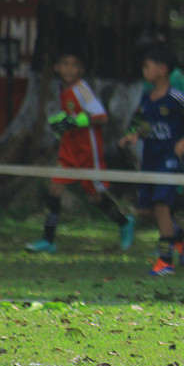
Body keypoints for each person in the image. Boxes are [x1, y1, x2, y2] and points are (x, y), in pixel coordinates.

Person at [25, 51, 135, 254]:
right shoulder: (61, 88)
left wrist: (75, 121)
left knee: (95, 198)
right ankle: (48, 240)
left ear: (81, 70)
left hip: (88, 151)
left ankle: (124, 221)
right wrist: (60, 122)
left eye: (74, 65)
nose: (69, 69)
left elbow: (101, 117)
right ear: (57, 68)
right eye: (64, 64)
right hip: (70, 149)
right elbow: (72, 116)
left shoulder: (82, 89)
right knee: (54, 188)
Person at [119, 43, 184, 275]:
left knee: (161, 207)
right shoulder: (148, 98)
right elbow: (144, 123)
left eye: (148, 66)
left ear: (162, 69)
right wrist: (134, 135)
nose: (144, 70)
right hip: (150, 159)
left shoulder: (176, 97)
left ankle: (165, 261)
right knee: (145, 211)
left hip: (169, 160)